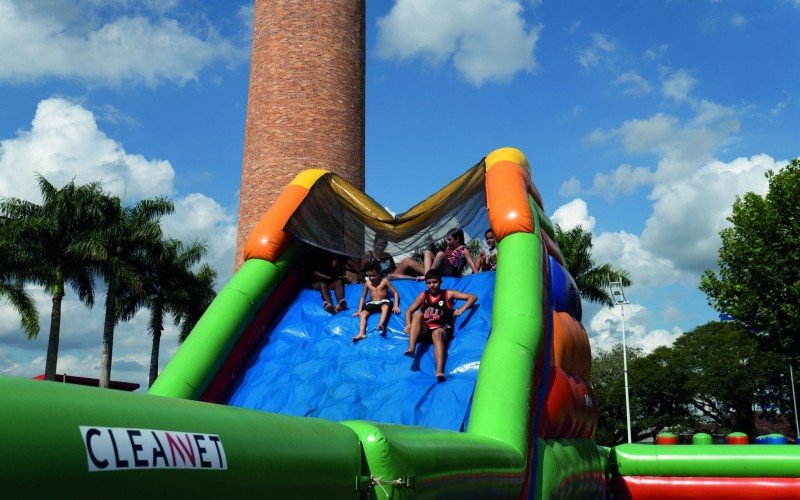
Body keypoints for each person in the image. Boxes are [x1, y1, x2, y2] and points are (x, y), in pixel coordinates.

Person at [403, 269, 477, 381]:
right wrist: (408, 324)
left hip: (442, 329)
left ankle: (439, 371)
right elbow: (409, 311)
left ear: (440, 282)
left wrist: (462, 308)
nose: (432, 285)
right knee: (418, 314)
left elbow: (472, 297)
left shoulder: (447, 294)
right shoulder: (423, 295)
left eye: (434, 282)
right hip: (426, 330)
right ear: (425, 283)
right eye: (429, 283)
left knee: (437, 333)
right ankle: (412, 348)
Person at [392, 227, 479, 280]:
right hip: (442, 271)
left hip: (452, 273)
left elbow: (474, 268)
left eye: (449, 239)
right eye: (446, 239)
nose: (447, 242)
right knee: (427, 252)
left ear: (457, 239)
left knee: (440, 254)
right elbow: (444, 261)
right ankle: (427, 274)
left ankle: (429, 275)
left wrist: (478, 277)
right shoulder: (448, 248)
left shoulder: (464, 250)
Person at [352, 260, 401, 342]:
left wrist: (396, 305)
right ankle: (361, 333)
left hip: (383, 301)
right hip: (372, 302)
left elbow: (395, 293)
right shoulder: (367, 283)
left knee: (385, 307)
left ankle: (381, 324)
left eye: (374, 275)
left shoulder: (384, 281)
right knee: (363, 314)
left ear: (379, 273)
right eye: (369, 276)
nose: (371, 278)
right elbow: (363, 297)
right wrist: (359, 310)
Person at [309, 249, 348, 314]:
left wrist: (335, 261)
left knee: (338, 281)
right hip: (315, 282)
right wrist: (331, 278)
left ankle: (340, 304)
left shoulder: (330, 254)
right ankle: (330, 306)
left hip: (328, 281)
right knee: (322, 284)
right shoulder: (314, 255)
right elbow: (315, 274)